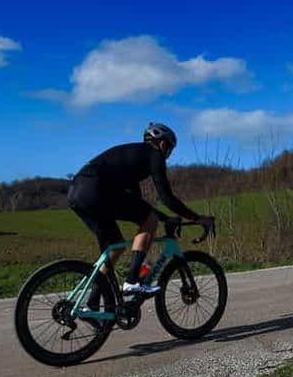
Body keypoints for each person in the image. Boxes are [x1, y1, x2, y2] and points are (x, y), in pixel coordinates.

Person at [67, 122, 212, 309]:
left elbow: (138, 204)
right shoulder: (154, 155)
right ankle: (132, 280)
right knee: (149, 219)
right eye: (169, 148)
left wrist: (165, 218)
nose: (168, 154)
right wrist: (197, 218)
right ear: (162, 144)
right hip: (95, 190)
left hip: (77, 193)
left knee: (114, 247)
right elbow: (166, 197)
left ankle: (93, 303)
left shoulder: (131, 161)